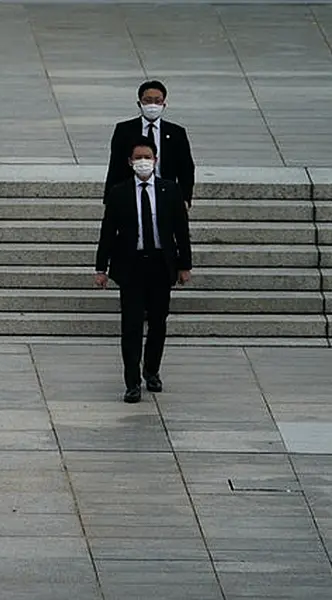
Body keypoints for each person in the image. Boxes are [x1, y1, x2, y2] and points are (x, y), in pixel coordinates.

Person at [94, 138, 192, 403]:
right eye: (138, 157)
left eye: (147, 156)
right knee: (132, 325)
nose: (143, 161)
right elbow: (108, 233)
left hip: (161, 264)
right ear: (129, 161)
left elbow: (181, 231)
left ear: (156, 159)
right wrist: (101, 268)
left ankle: (152, 370)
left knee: (158, 322)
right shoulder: (119, 192)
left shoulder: (170, 190)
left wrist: (185, 265)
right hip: (131, 266)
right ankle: (132, 382)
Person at [105, 80, 195, 210]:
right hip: (131, 192)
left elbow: (186, 168)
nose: (152, 105)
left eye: (157, 101)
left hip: (165, 192)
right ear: (139, 103)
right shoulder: (124, 130)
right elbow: (115, 166)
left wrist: (185, 198)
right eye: (147, 100)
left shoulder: (176, 133)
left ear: (164, 104)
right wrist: (110, 198)